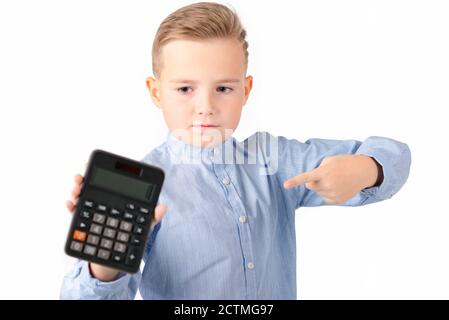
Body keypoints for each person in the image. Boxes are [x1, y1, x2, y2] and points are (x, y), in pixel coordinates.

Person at [60, 2, 411, 299]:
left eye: (224, 88)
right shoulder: (144, 190)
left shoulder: (272, 159)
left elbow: (394, 154)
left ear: (246, 90)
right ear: (156, 92)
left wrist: (365, 169)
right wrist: (106, 261)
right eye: (185, 89)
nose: (206, 107)